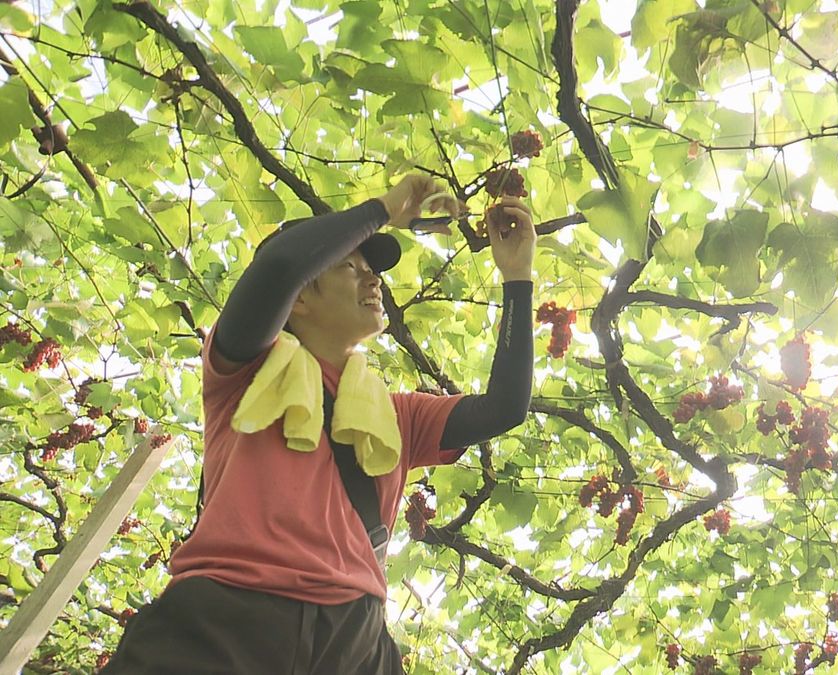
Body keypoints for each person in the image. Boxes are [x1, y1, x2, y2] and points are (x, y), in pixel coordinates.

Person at [100, 174, 536, 674]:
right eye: (352, 267)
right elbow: (281, 266)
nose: (374, 279)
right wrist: (384, 208)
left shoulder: (396, 416)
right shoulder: (243, 369)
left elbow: (506, 407)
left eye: (374, 271)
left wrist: (517, 275)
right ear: (299, 298)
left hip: (355, 641)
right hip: (228, 617)